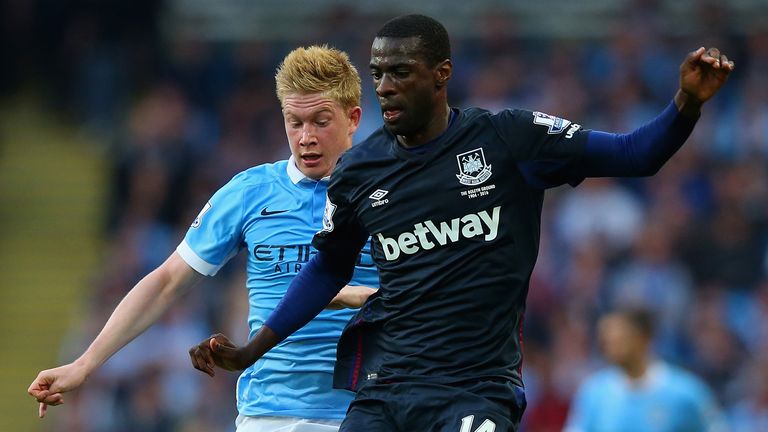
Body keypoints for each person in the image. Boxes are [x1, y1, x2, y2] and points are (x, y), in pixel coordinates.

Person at [191, 14, 734, 432]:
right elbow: (326, 269)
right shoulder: (359, 172)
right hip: (387, 390)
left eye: (401, 72)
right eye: (378, 73)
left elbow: (635, 155)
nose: (385, 86)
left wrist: (686, 102)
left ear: (442, 74)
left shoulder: (509, 140)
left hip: (475, 390)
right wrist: (251, 350)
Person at [27, 45, 379, 432]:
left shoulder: (389, 192)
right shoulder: (250, 191)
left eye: (320, 121)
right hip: (271, 416)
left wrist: (354, 296)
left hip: (371, 411)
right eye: (294, 122)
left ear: (353, 118)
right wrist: (85, 363)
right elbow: (166, 282)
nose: (306, 137)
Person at [564, 308, 725, 432]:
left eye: (619, 339)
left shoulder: (685, 392)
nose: (610, 347)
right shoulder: (594, 392)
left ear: (643, 337)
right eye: (606, 341)